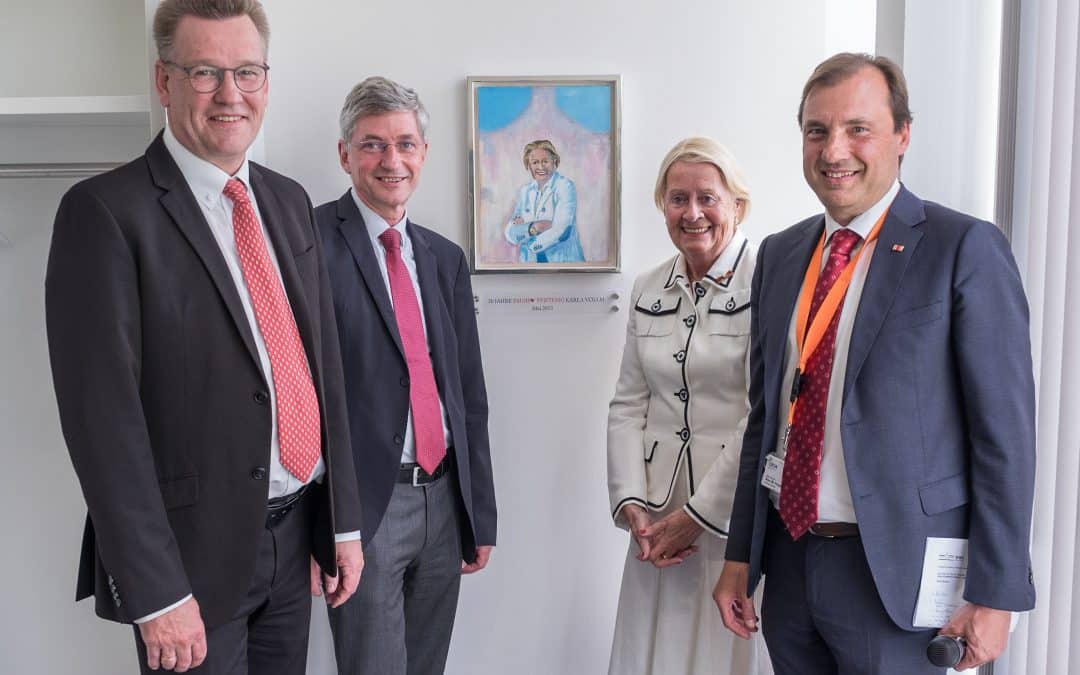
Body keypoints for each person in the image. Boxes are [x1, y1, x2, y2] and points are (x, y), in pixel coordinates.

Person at [44, 1, 364, 673]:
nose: (230, 94)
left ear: (267, 80)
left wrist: (341, 521)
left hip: (293, 540)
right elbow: (104, 425)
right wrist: (156, 592)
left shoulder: (287, 200)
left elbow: (319, 366)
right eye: (205, 72)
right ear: (163, 81)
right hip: (188, 564)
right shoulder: (104, 214)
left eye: (247, 71)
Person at [714, 53, 1036, 675]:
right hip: (790, 563)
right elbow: (766, 420)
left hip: (899, 577)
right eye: (817, 131)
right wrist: (740, 557)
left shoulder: (962, 247)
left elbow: (1005, 438)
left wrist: (997, 593)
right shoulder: (781, 255)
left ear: (902, 135)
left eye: (857, 128)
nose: (835, 150)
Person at [315, 76, 497, 675]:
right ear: (345, 155)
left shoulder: (444, 257)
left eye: (405, 144)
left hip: (444, 500)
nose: (391, 160)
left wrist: (480, 512)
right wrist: (321, 524)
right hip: (365, 506)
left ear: (423, 153)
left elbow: (468, 394)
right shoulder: (309, 244)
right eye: (372, 145)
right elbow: (300, 393)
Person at [607, 137, 767, 675]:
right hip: (657, 510)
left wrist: (701, 515)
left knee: (724, 649)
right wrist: (632, 502)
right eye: (678, 199)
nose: (692, 212)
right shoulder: (648, 287)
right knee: (655, 650)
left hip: (732, 509)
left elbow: (763, 412)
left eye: (707, 198)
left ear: (737, 205)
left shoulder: (768, 280)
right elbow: (629, 402)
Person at [504, 139, 586, 262]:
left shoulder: (565, 186)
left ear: (555, 162)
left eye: (545, 161)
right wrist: (533, 228)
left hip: (563, 264)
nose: (540, 167)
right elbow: (510, 233)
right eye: (535, 162)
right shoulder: (524, 191)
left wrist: (528, 240)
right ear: (528, 165)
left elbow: (562, 230)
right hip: (529, 266)